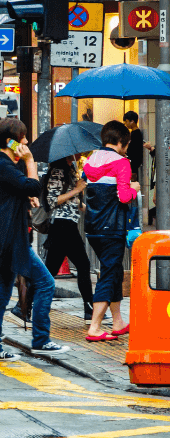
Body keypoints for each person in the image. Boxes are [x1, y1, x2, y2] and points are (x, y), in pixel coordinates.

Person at [0, 117, 68, 360]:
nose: (27, 142)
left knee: (0, 292)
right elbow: (32, 186)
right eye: (23, 138)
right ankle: (40, 340)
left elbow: (24, 190)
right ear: (11, 142)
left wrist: (27, 199)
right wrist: (30, 161)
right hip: (10, 241)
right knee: (45, 283)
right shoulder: (3, 165)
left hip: (8, 239)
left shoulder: (9, 165)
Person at [83, 120, 138, 342]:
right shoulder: (121, 163)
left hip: (93, 228)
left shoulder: (91, 160)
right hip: (112, 227)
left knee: (113, 271)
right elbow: (124, 196)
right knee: (108, 273)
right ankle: (95, 327)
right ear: (122, 142)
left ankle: (118, 322)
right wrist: (134, 189)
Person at [43, 154, 94, 319]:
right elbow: (52, 201)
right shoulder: (58, 171)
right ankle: (89, 308)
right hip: (62, 225)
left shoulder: (71, 170)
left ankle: (27, 305)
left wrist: (88, 209)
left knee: (49, 271)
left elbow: (72, 201)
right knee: (82, 265)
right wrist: (77, 189)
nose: (79, 154)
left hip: (68, 224)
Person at [124, 111, 151, 183]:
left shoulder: (136, 134)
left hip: (133, 166)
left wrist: (134, 169)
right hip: (131, 166)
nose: (125, 124)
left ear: (132, 121)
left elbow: (136, 152)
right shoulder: (133, 133)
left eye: (126, 121)